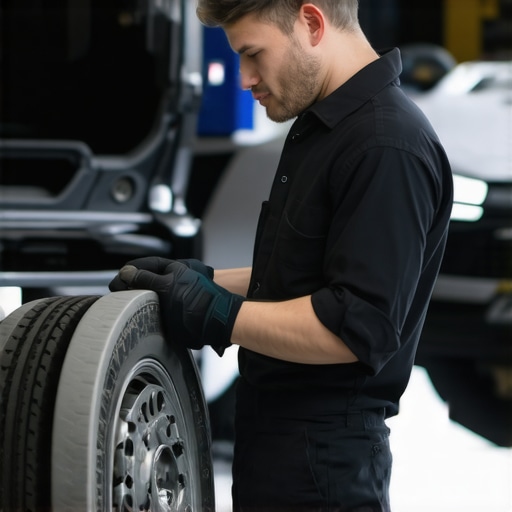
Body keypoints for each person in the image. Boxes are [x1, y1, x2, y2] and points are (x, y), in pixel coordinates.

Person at [109, 1, 453, 510]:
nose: (245, 78)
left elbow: (353, 328)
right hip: (281, 448)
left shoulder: (386, 146)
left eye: (253, 54)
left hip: (323, 469)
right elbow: (305, 275)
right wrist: (203, 281)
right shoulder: (327, 126)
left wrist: (218, 314)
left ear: (311, 23)